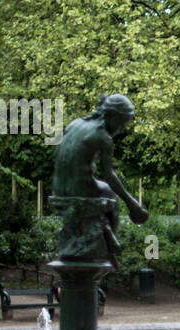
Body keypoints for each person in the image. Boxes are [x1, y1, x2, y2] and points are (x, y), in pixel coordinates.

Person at [52, 94, 148, 267]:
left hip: (58, 188)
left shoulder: (75, 124)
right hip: (78, 189)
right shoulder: (103, 137)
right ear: (112, 116)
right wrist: (133, 204)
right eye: (121, 124)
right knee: (109, 193)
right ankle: (110, 249)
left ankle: (105, 231)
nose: (120, 130)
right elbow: (110, 174)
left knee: (101, 190)